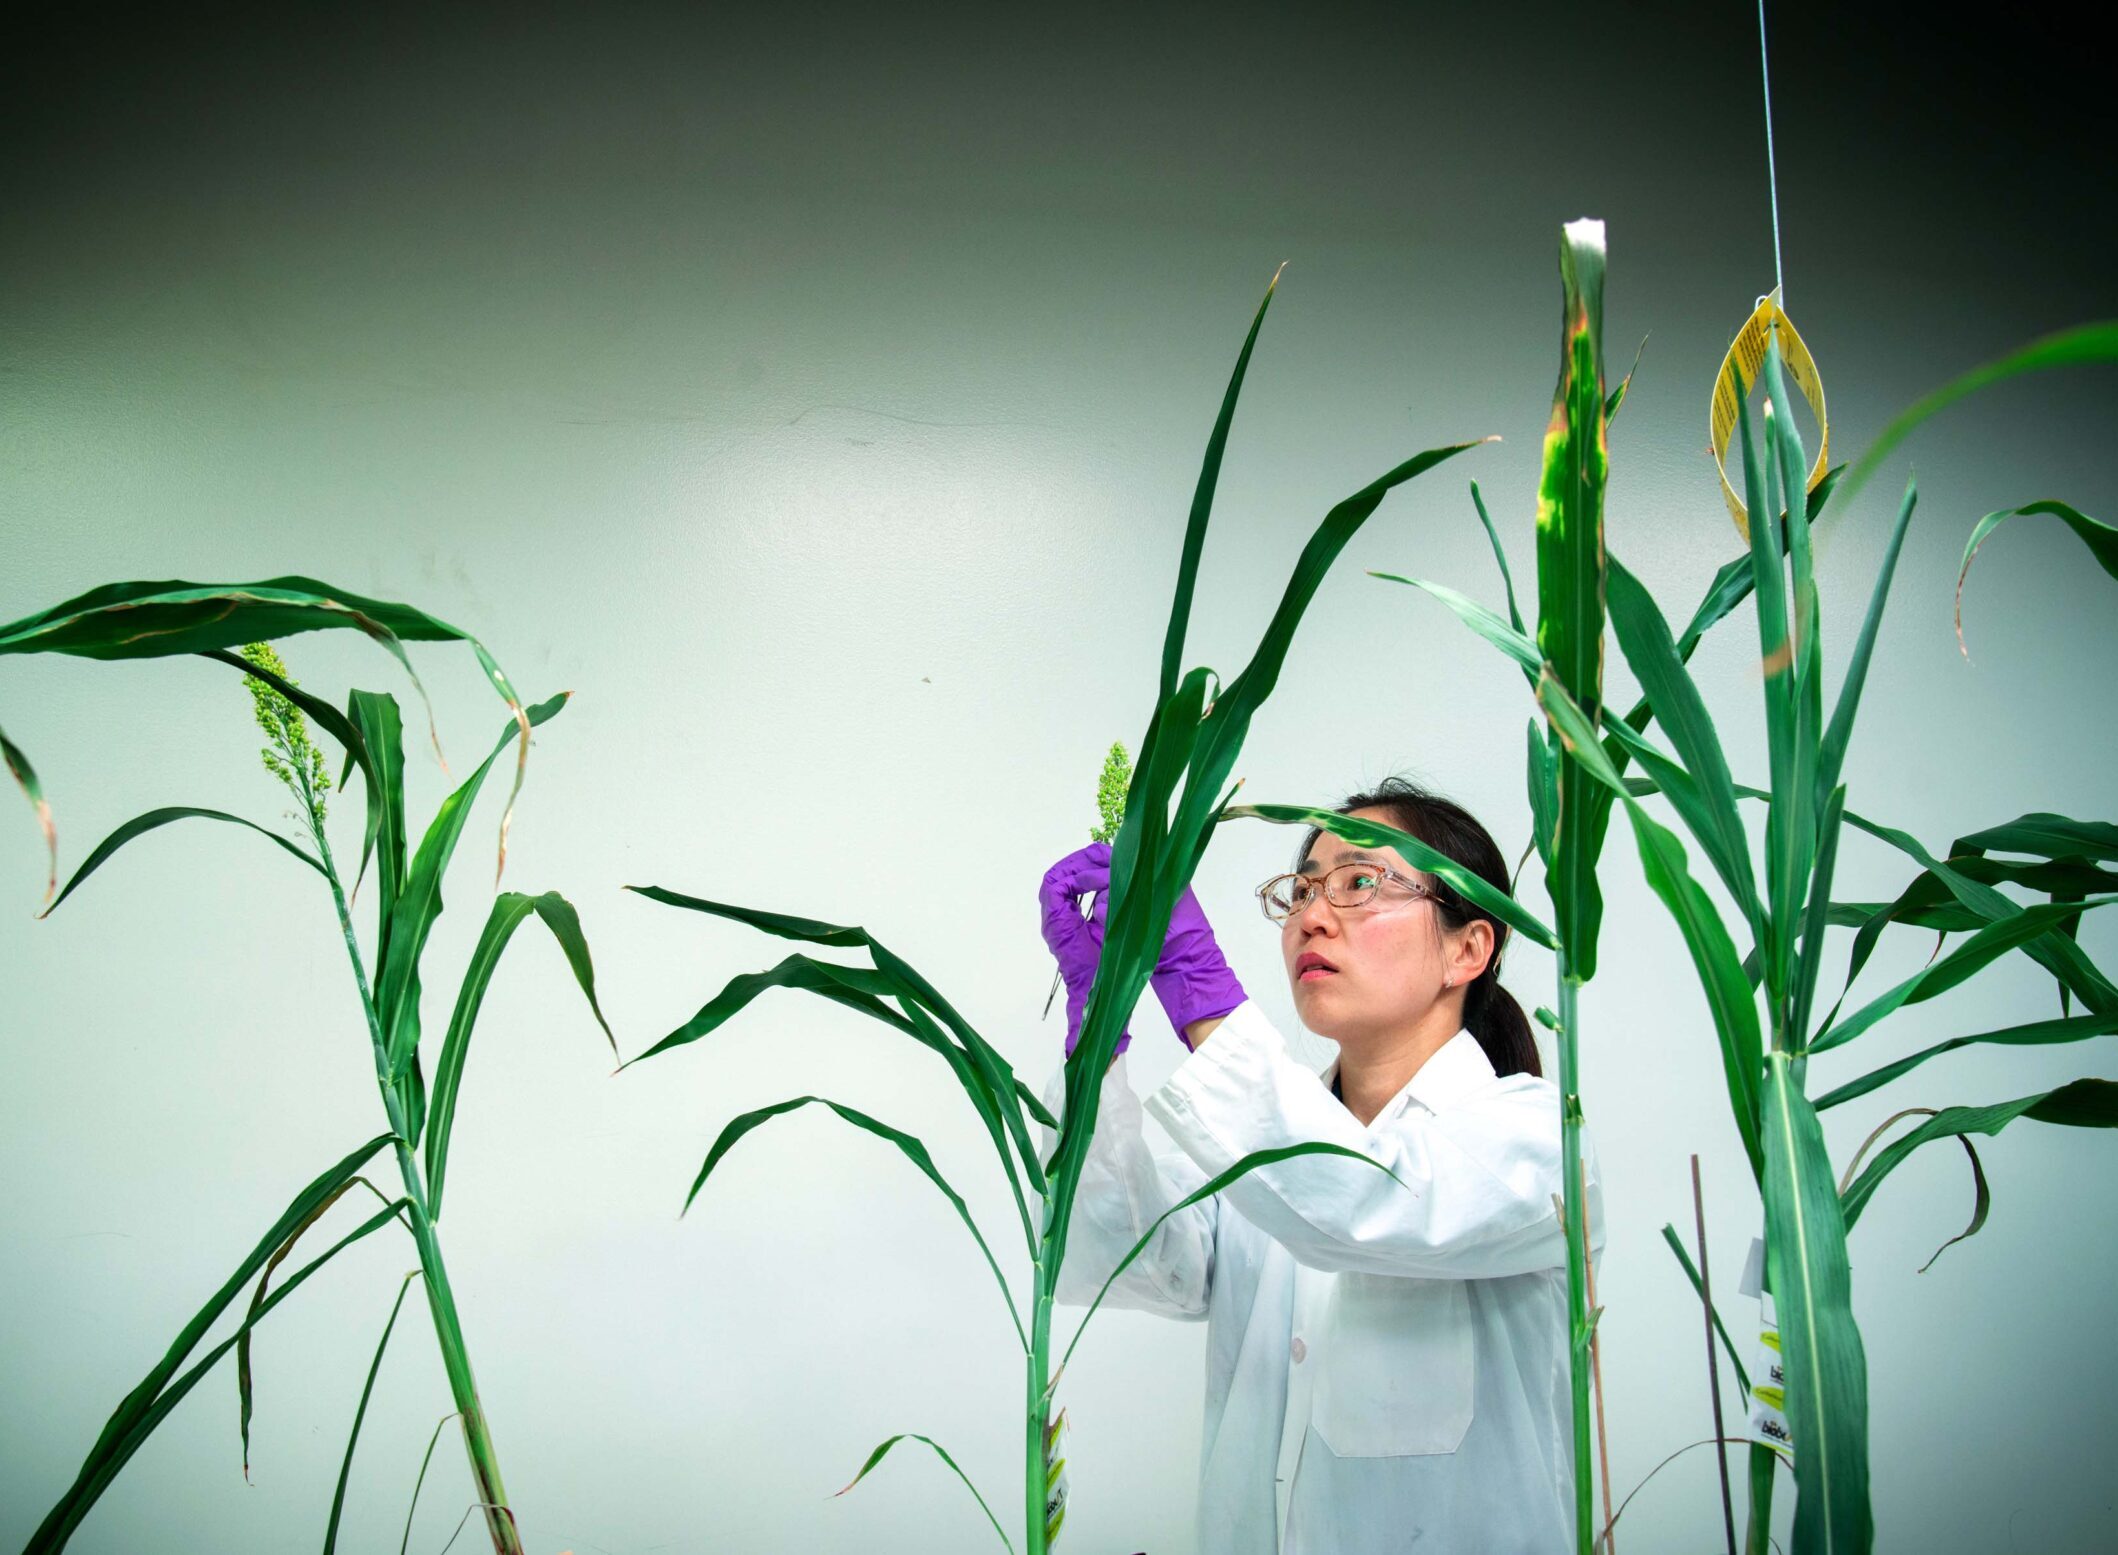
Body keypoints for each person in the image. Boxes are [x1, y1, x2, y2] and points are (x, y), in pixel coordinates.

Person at [1037, 777, 1602, 1555]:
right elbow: (1103, 1256)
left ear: (1468, 947)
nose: (1311, 915)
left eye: (1360, 882)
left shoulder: (1538, 1143)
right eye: (1301, 890)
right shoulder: (1259, 1159)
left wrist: (1201, 993)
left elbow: (1358, 1202)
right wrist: (1095, 1040)